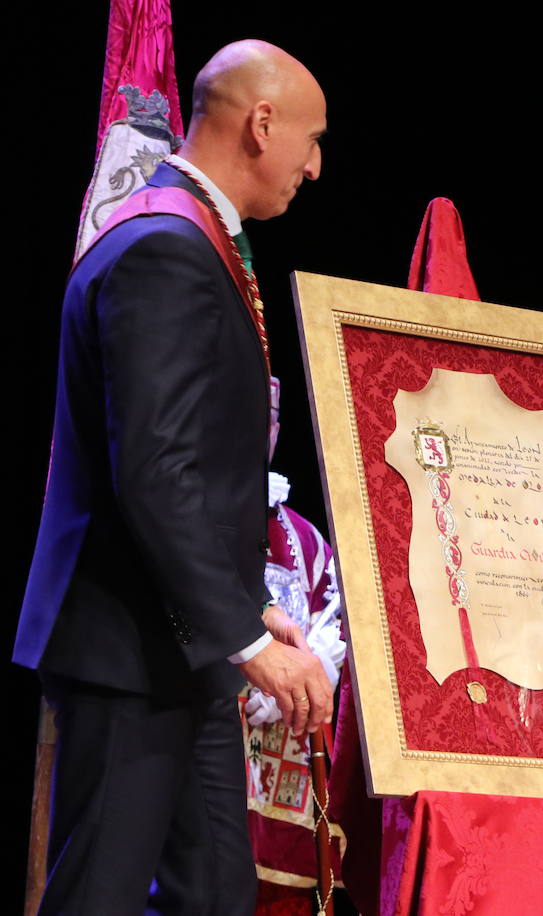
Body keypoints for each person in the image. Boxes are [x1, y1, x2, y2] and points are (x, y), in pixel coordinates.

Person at [15, 40, 334, 915]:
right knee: (101, 896)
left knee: (213, 895)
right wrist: (249, 638)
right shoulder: (165, 247)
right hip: (129, 650)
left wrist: (253, 611)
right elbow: (153, 474)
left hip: (179, 649)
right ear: (261, 123)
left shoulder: (194, 239)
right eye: (311, 139)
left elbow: (187, 466)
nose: (314, 165)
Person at [241, 378, 346, 912]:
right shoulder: (195, 513)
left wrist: (314, 665)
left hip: (290, 747)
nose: (259, 425)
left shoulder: (305, 537)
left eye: (270, 416)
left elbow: (336, 623)